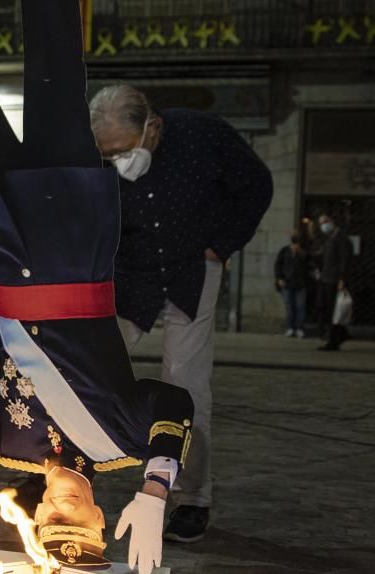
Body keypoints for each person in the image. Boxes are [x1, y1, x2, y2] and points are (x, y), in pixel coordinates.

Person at [0, 0, 195, 574]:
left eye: (49, 523)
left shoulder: (12, 446)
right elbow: (174, 403)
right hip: (70, 227)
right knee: (54, 67)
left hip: (1, 238)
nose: (58, 511)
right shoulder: (121, 441)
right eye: (76, 524)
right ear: (101, 520)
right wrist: (153, 488)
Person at [88, 85, 273, 544]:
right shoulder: (98, 156)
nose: (116, 162)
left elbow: (256, 186)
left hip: (193, 269)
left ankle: (191, 498)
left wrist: (222, 244)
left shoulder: (203, 135)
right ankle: (64, 473)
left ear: (151, 127)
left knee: (186, 385)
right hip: (130, 275)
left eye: (123, 151)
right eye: (106, 155)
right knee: (85, 366)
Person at [315, 213, 352, 351]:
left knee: (332, 311)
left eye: (324, 222)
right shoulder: (330, 238)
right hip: (326, 278)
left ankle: (333, 340)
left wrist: (342, 279)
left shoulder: (340, 237)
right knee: (324, 308)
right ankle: (341, 334)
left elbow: (344, 260)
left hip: (333, 279)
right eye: (321, 223)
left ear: (331, 221)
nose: (323, 226)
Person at [274, 234, 307, 338]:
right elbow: (278, 264)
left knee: (300, 307)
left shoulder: (303, 252)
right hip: (287, 283)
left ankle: (299, 328)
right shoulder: (284, 251)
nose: (295, 246)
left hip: (301, 283)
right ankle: (290, 328)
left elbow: (308, 265)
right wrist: (279, 278)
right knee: (289, 307)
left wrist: (300, 253)